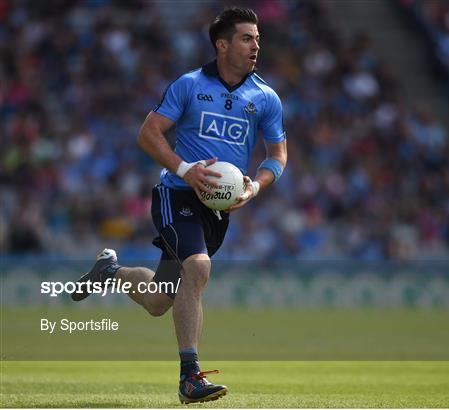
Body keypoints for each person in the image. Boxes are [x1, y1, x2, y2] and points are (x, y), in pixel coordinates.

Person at [71, 7, 287, 404]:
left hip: (218, 208)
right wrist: (186, 170)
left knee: (158, 300)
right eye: (246, 38)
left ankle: (109, 269)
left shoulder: (265, 97)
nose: (256, 45)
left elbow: (277, 155)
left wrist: (255, 187)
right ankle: (190, 377)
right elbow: (149, 133)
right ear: (222, 44)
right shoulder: (188, 85)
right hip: (177, 195)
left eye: (257, 38)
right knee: (198, 266)